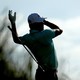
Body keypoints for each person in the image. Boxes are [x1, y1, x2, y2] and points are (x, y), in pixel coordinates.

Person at [8, 10, 63, 80]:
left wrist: (13, 23)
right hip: (50, 75)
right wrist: (46, 22)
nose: (42, 24)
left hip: (40, 73)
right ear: (35, 25)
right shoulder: (46, 34)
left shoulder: (28, 38)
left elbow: (16, 39)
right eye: (40, 22)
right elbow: (59, 30)